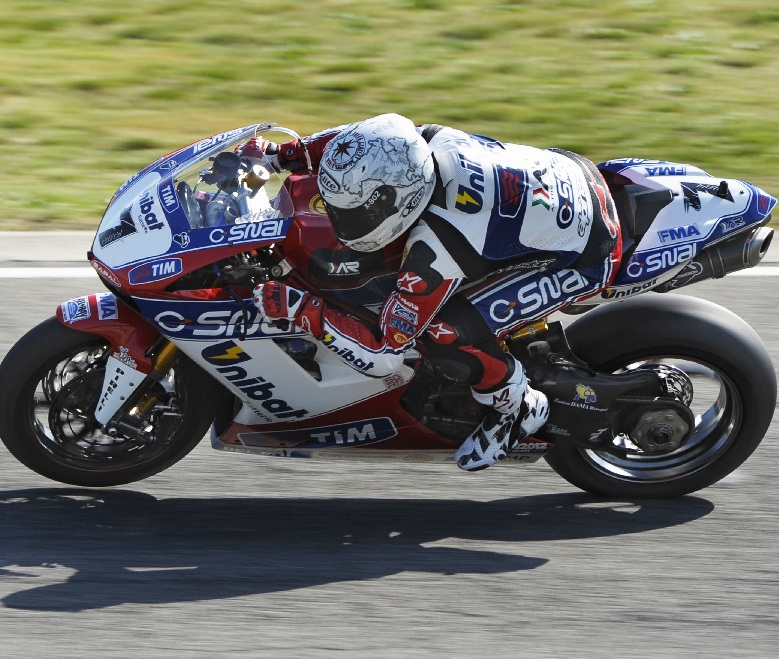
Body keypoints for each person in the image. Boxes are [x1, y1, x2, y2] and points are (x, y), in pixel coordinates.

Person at [243, 113, 622, 471]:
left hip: (585, 255)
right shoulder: (417, 143)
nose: (338, 220)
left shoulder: (438, 249)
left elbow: (383, 355)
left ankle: (518, 407)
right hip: (569, 177)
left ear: (400, 200)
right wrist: (281, 155)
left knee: (444, 331)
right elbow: (352, 145)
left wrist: (302, 308)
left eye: (352, 214)